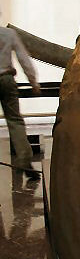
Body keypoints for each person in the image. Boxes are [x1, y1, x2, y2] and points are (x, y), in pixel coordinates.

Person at [0, 23, 41, 180]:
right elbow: (23, 58)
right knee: (15, 121)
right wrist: (33, 81)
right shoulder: (8, 34)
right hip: (6, 79)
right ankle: (24, 159)